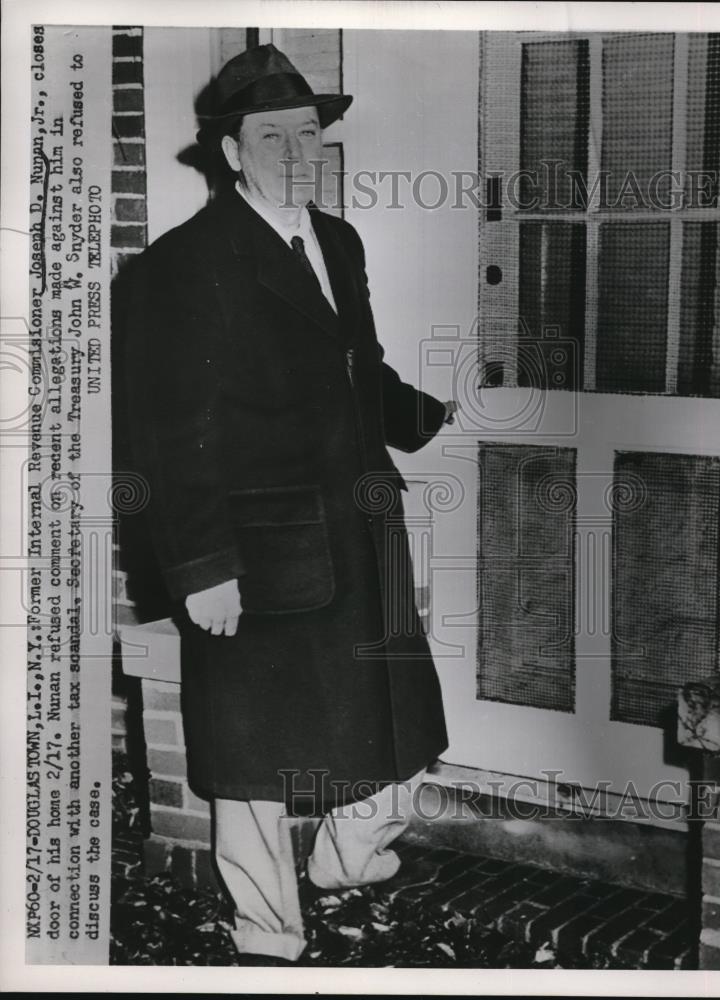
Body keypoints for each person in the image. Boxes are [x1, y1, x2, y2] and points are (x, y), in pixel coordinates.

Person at [124, 43, 457, 966]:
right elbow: (168, 435)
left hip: (354, 528)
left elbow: (356, 366)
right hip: (254, 550)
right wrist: (202, 570)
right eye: (270, 138)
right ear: (231, 152)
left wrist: (427, 414)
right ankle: (267, 931)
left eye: (308, 134)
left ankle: (349, 861)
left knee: (391, 720)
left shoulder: (336, 241)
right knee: (252, 757)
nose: (295, 153)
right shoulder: (183, 267)